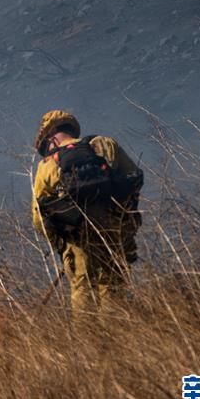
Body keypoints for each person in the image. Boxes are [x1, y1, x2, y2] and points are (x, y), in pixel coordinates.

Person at [31, 110, 143, 321]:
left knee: (83, 291)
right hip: (114, 228)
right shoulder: (104, 145)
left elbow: (38, 218)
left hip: (77, 239)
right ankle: (119, 340)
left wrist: (60, 244)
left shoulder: (46, 165)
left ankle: (90, 347)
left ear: (52, 135)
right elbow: (134, 177)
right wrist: (125, 218)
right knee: (113, 285)